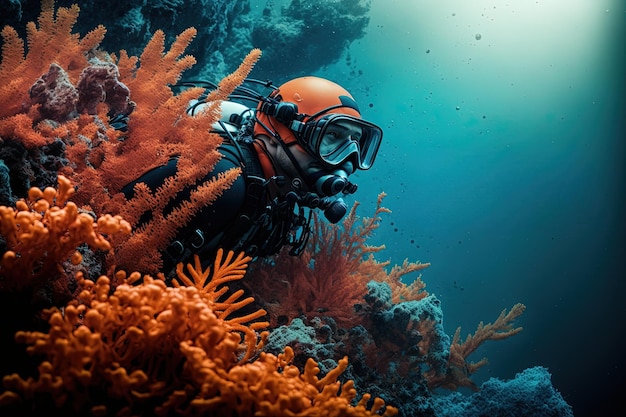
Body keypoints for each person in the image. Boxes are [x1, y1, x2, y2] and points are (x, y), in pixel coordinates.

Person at [122, 76, 383, 276]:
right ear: (284, 129)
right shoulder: (222, 179)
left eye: (356, 143)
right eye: (333, 136)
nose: (348, 160)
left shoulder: (276, 197)